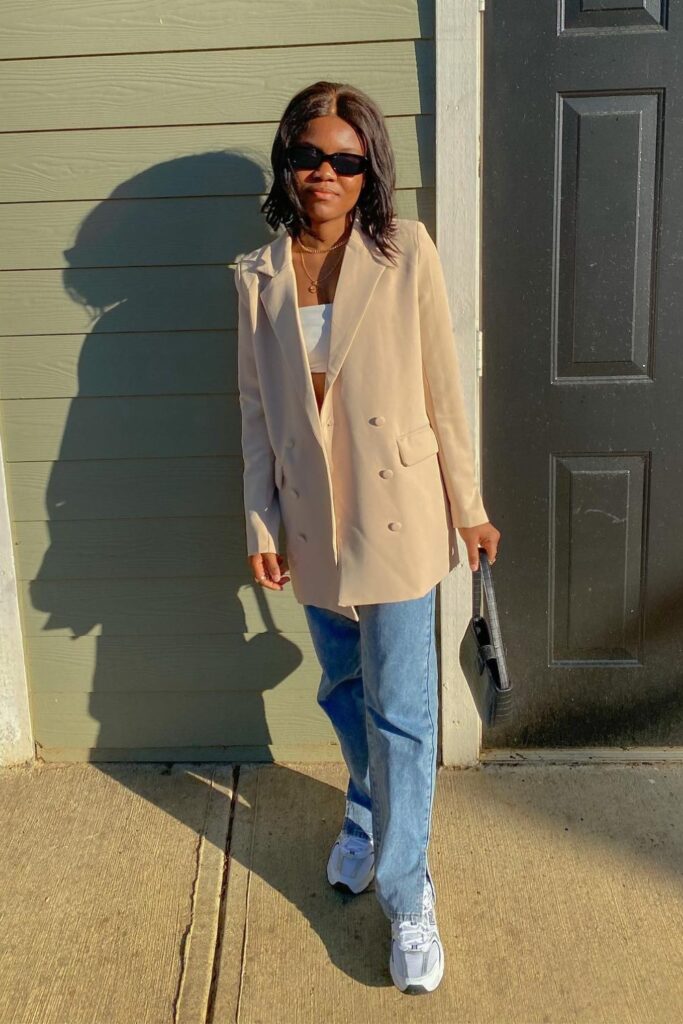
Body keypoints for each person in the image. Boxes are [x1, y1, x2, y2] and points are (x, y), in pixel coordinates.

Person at [234, 80, 500, 995]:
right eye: (310, 155)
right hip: (311, 520)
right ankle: (365, 807)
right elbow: (256, 413)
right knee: (345, 687)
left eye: (346, 160)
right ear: (287, 160)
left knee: (402, 708)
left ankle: (405, 885)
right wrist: (260, 518)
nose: (325, 173)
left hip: (397, 512)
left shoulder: (403, 251)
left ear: (368, 170)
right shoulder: (257, 275)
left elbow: (442, 384)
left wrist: (467, 503)